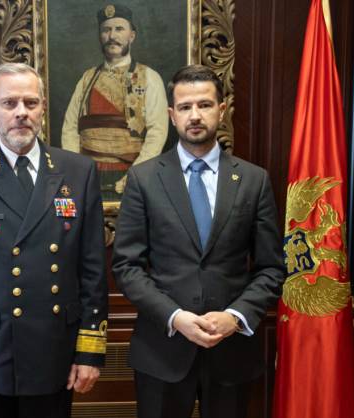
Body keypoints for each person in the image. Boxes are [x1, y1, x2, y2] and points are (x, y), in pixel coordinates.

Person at [0, 62, 108, 418]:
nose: (21, 113)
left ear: (43, 107)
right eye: (10, 103)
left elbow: (92, 270)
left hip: (55, 353)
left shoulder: (79, 171)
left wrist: (90, 351)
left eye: (30, 102)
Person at [112, 65, 285, 418]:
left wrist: (235, 317)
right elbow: (127, 267)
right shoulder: (143, 179)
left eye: (204, 105)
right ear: (171, 115)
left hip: (232, 352)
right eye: (185, 107)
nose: (195, 115)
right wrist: (175, 317)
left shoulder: (253, 180)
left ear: (222, 110)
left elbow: (271, 268)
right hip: (162, 350)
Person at [61, 3, 168, 200]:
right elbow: (70, 128)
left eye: (119, 29)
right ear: (100, 36)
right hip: (88, 177)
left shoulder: (150, 78)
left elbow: (157, 133)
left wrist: (135, 177)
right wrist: (78, 172)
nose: (112, 36)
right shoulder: (86, 78)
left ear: (132, 36)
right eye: (106, 30)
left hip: (134, 177)